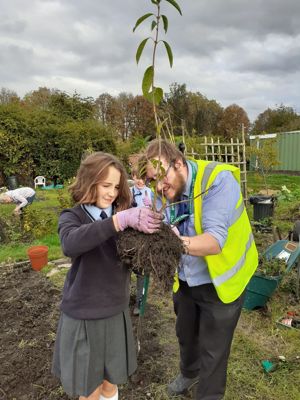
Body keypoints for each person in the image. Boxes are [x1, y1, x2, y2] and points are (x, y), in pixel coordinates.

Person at [141, 139, 258, 400]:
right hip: (185, 278)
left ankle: (209, 395)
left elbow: (214, 241)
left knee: (213, 350)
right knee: (185, 333)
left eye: (162, 177)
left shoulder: (218, 181)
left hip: (221, 280)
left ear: (179, 163)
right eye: (152, 180)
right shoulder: (161, 191)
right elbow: (159, 219)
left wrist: (171, 242)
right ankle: (189, 372)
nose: (159, 186)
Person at [52, 152, 162, 400]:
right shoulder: (73, 217)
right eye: (105, 185)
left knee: (110, 383)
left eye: (116, 186)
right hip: (84, 316)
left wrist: (161, 238)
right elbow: (70, 244)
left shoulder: (125, 214)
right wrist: (118, 221)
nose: (112, 192)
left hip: (116, 310)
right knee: (89, 389)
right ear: (88, 182)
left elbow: (135, 258)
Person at [130, 168, 153, 316]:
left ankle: (139, 301)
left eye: (143, 178)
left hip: (144, 236)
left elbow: (157, 213)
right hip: (130, 234)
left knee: (141, 271)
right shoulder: (129, 192)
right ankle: (121, 298)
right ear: (132, 176)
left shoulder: (149, 193)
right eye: (137, 177)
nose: (140, 181)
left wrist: (151, 206)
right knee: (126, 267)